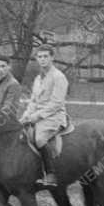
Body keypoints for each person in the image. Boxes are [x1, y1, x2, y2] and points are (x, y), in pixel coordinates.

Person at [19, 45, 69, 189]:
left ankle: (51, 174)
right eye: (40, 57)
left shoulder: (59, 77)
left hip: (54, 116)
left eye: (46, 56)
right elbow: (33, 101)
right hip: (37, 114)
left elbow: (56, 103)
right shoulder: (37, 79)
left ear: (52, 58)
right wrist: (25, 116)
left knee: (39, 138)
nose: (42, 59)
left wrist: (36, 117)